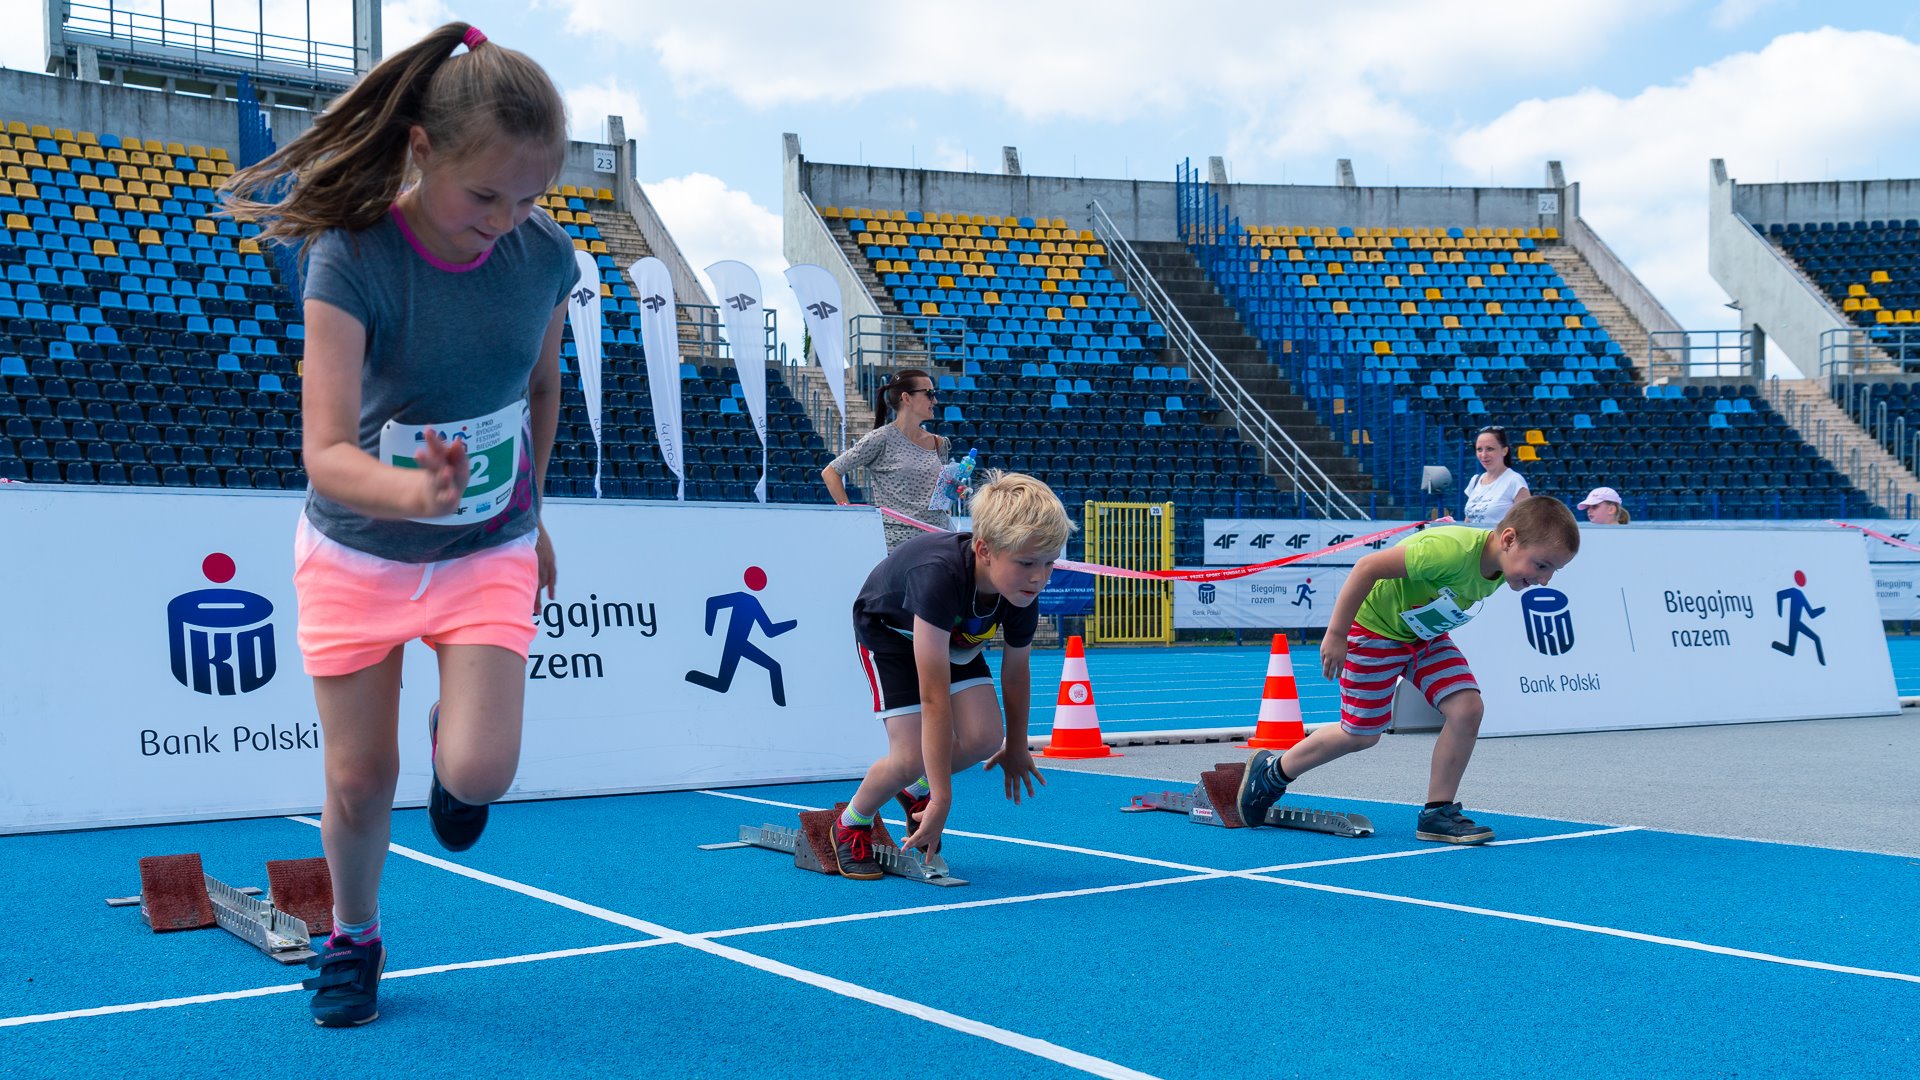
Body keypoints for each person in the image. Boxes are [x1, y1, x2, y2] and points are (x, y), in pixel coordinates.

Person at [224, 23, 576, 1028]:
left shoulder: (546, 259)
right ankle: (355, 933)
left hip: (486, 544)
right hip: (356, 548)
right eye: (485, 196)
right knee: (358, 776)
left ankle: (449, 736)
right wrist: (410, 494)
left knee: (479, 771)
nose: (506, 222)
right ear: (423, 149)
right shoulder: (352, 255)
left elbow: (542, 392)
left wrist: (532, 516)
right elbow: (326, 449)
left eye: (530, 200)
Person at [1237, 496, 1581, 844]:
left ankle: (1437, 813)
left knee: (1467, 709)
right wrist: (1337, 634)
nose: (1545, 579)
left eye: (1553, 570)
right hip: (1375, 632)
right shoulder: (1448, 552)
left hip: (1423, 637)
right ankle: (1272, 773)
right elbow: (1367, 567)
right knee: (1360, 735)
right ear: (1508, 539)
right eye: (1542, 565)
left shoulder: (1502, 568)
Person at [831, 471, 1072, 878]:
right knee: (908, 758)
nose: (1039, 577)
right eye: (1027, 563)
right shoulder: (938, 575)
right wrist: (942, 797)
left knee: (984, 737)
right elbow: (933, 696)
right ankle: (852, 821)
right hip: (889, 634)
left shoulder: (1022, 593)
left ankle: (914, 787)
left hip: (954, 637)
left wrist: (1016, 745)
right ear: (985, 550)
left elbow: (1016, 673)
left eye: (1049, 563)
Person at [821, 367, 954, 550]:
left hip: (937, 542)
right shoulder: (881, 438)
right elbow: (831, 472)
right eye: (929, 393)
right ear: (906, 398)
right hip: (897, 548)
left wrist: (954, 489)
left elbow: (939, 495)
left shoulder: (939, 443)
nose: (935, 400)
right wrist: (848, 511)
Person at [1463, 425, 1530, 525]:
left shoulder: (1514, 481)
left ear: (1504, 451)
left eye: (1490, 449)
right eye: (1479, 449)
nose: (1483, 455)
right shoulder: (1475, 480)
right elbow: (1468, 520)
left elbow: (1527, 522)